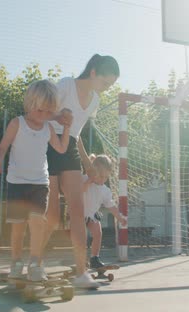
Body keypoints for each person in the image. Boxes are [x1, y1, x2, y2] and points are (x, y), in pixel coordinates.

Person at [43, 54, 120, 288]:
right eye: (106, 83)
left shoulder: (95, 100)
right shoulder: (66, 84)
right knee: (53, 213)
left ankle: (80, 272)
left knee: (77, 209)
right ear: (94, 72)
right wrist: (59, 117)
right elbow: (42, 114)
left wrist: (87, 163)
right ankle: (34, 263)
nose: (106, 89)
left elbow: (76, 135)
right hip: (47, 143)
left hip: (70, 147)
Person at [0, 79, 72, 282]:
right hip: (17, 183)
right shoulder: (17, 123)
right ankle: (16, 262)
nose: (44, 116)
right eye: (40, 111)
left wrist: (67, 127)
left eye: (48, 112)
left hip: (39, 184)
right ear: (30, 104)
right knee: (18, 227)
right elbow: (2, 147)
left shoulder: (48, 128)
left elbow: (61, 148)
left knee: (37, 223)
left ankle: (35, 263)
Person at [81, 153, 127, 269]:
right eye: (100, 176)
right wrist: (88, 181)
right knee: (81, 237)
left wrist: (119, 217)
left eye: (106, 177)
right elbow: (79, 192)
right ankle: (80, 259)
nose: (103, 180)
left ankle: (94, 258)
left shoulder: (105, 190)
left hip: (92, 214)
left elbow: (111, 206)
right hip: (79, 213)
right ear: (93, 171)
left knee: (98, 233)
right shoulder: (84, 179)